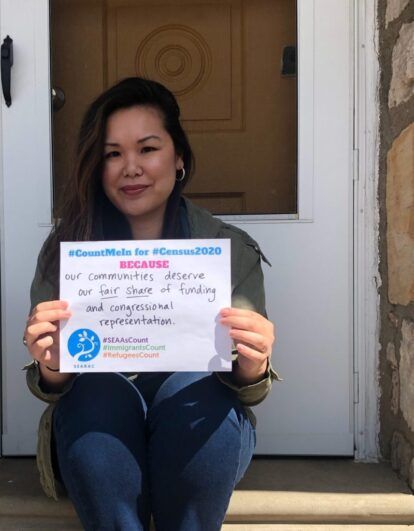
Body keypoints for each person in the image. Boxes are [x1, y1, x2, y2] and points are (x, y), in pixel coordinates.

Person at [23, 77, 278, 531]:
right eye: (113, 153)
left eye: (147, 148)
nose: (131, 167)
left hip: (198, 436)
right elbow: (51, 387)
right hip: (98, 433)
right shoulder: (69, 249)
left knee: (201, 392)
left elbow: (248, 390)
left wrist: (253, 366)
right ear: (96, 167)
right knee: (98, 393)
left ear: (178, 157)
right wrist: (50, 363)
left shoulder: (228, 249)